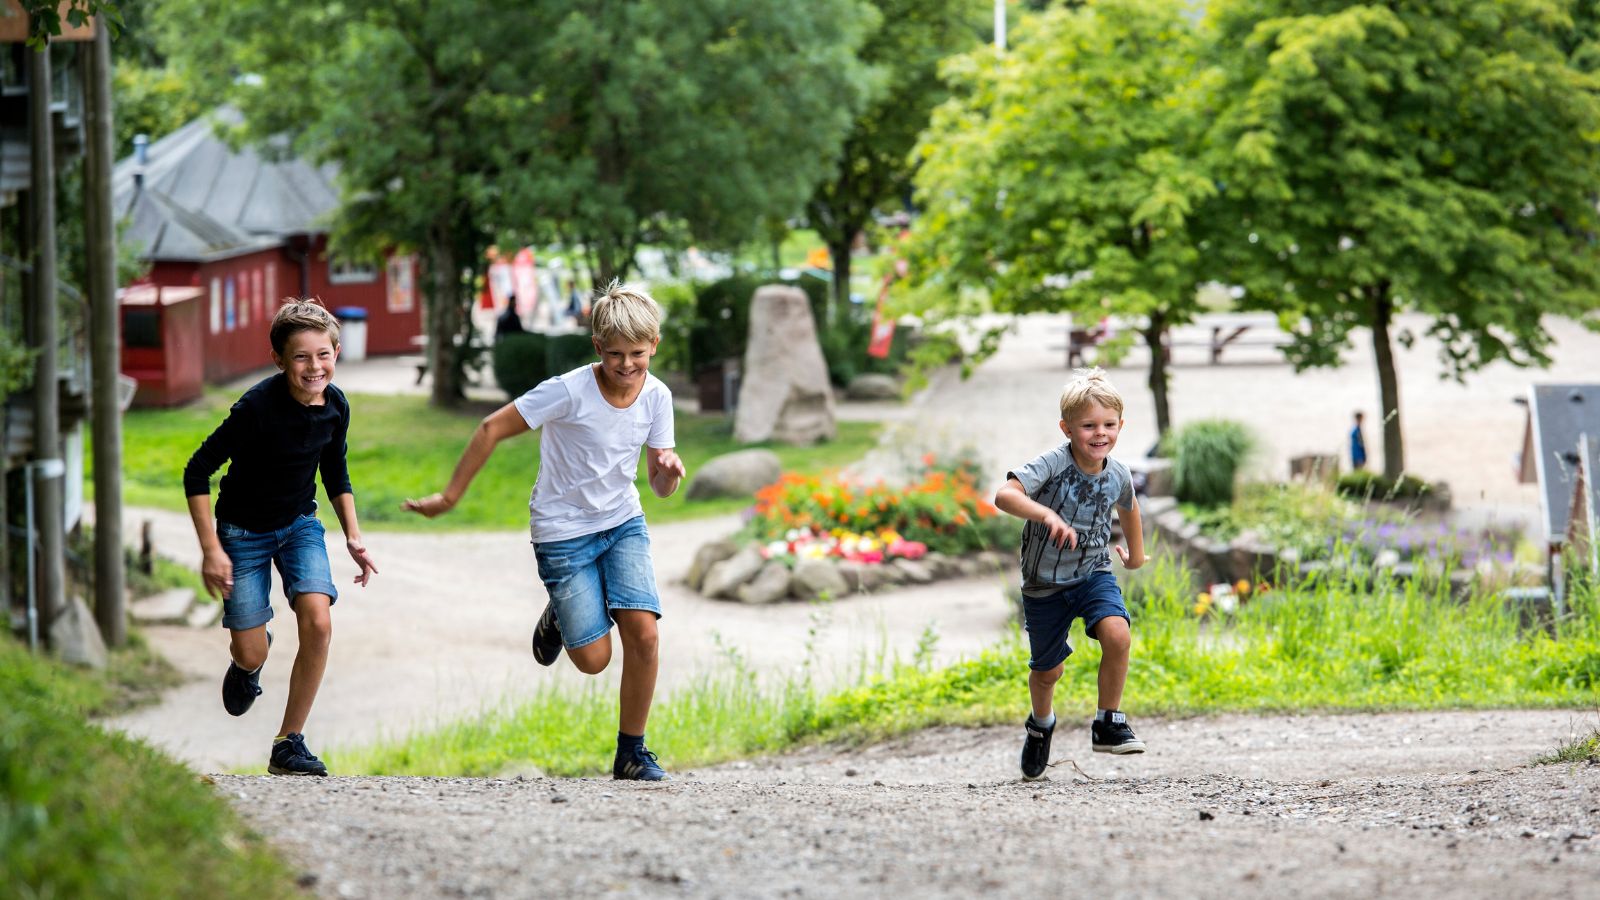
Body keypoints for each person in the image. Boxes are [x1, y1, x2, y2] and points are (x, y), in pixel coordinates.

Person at [403, 281, 686, 781]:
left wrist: (667, 469)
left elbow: (660, 488)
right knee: (594, 660)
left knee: (643, 633)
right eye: (615, 354)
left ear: (654, 346)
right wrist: (449, 498)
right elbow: (491, 427)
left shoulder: (657, 396)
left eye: (638, 354)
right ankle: (560, 613)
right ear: (597, 346)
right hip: (562, 531)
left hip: (622, 522)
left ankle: (631, 752)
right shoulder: (568, 391)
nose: (626, 365)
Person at [184, 298, 379, 777]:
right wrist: (211, 549)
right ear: (278, 360)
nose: (314, 367)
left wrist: (353, 535)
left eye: (323, 355)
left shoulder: (336, 406)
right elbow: (197, 471)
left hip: (298, 526)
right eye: (300, 357)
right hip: (241, 536)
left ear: (335, 352)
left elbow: (335, 471)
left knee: (318, 619)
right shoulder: (256, 408)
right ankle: (248, 664)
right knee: (251, 649)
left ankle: (288, 743)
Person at [994, 367, 1147, 781]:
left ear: (1121, 425)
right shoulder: (1053, 464)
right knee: (1048, 672)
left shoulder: (1116, 472)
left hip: (1093, 571)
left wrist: (1135, 556)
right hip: (1043, 584)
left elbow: (1129, 505)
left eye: (1109, 425)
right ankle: (1041, 725)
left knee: (1118, 633)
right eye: (1088, 426)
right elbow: (1004, 495)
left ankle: (1107, 722)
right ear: (1066, 428)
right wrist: (1045, 514)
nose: (1100, 434)